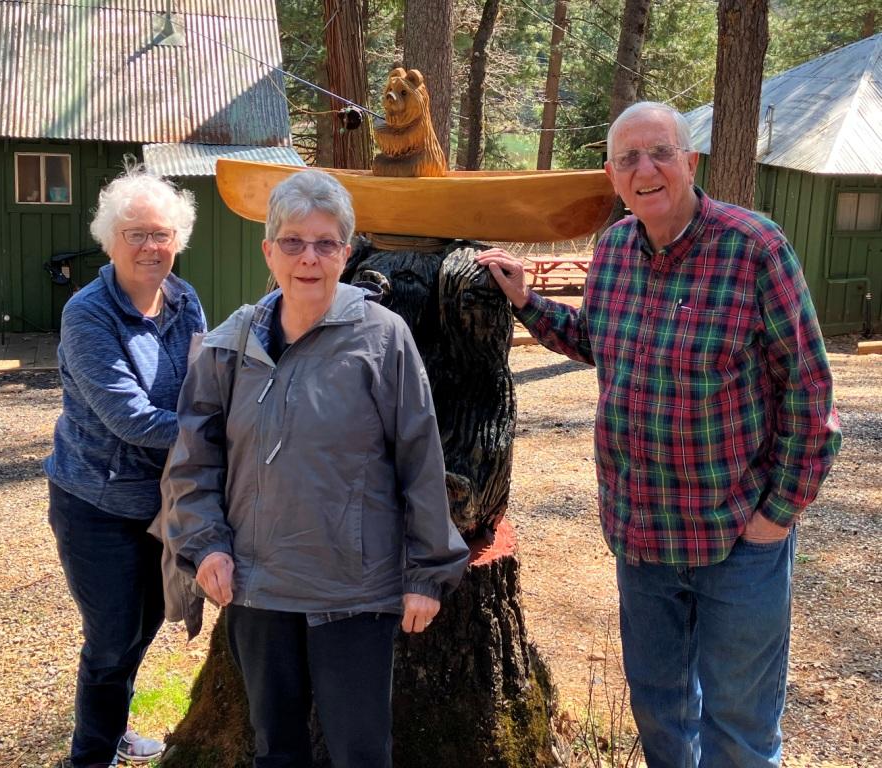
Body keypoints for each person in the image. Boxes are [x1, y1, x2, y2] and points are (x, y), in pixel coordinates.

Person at [477, 101, 842, 768]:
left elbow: (810, 391)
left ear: (689, 162)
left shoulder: (754, 249)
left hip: (736, 538)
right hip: (641, 539)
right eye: (628, 159)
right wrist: (526, 301)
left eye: (660, 153)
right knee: (662, 716)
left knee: (739, 728)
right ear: (612, 177)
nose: (645, 170)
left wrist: (777, 514)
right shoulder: (615, 249)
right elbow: (597, 340)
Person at [162, 169, 469, 768]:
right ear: (268, 251)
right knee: (276, 750)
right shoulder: (230, 344)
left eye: (326, 243)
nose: (309, 257)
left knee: (360, 753)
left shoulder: (383, 339)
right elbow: (193, 460)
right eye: (294, 242)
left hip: (354, 590)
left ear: (346, 254)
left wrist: (428, 571)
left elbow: (420, 459)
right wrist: (206, 546)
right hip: (256, 584)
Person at [44, 169, 205, 767]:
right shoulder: (88, 314)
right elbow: (130, 419)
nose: (150, 247)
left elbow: (205, 384)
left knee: (144, 627)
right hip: (97, 505)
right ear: (110, 240)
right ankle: (90, 757)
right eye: (135, 234)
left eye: (161, 234)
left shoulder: (185, 300)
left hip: (164, 501)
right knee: (111, 643)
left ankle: (111, 730)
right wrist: (224, 433)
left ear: (178, 239)